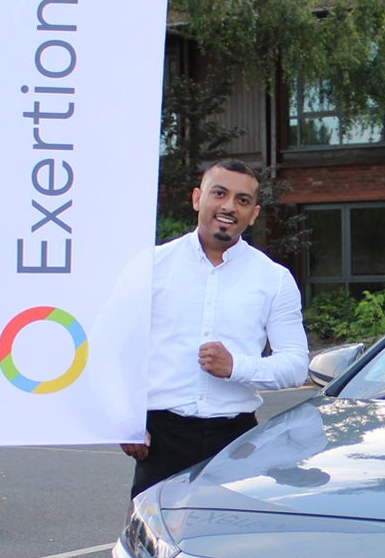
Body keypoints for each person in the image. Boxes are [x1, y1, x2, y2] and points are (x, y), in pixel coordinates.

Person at [123, 158, 308, 497]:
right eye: (219, 193)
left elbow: (296, 365)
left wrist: (235, 366)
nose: (229, 206)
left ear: (253, 214)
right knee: (153, 546)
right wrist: (122, 417)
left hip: (237, 442)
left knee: (232, 546)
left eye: (242, 200)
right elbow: (118, 348)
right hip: (161, 442)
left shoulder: (274, 279)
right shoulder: (151, 266)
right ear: (197, 198)